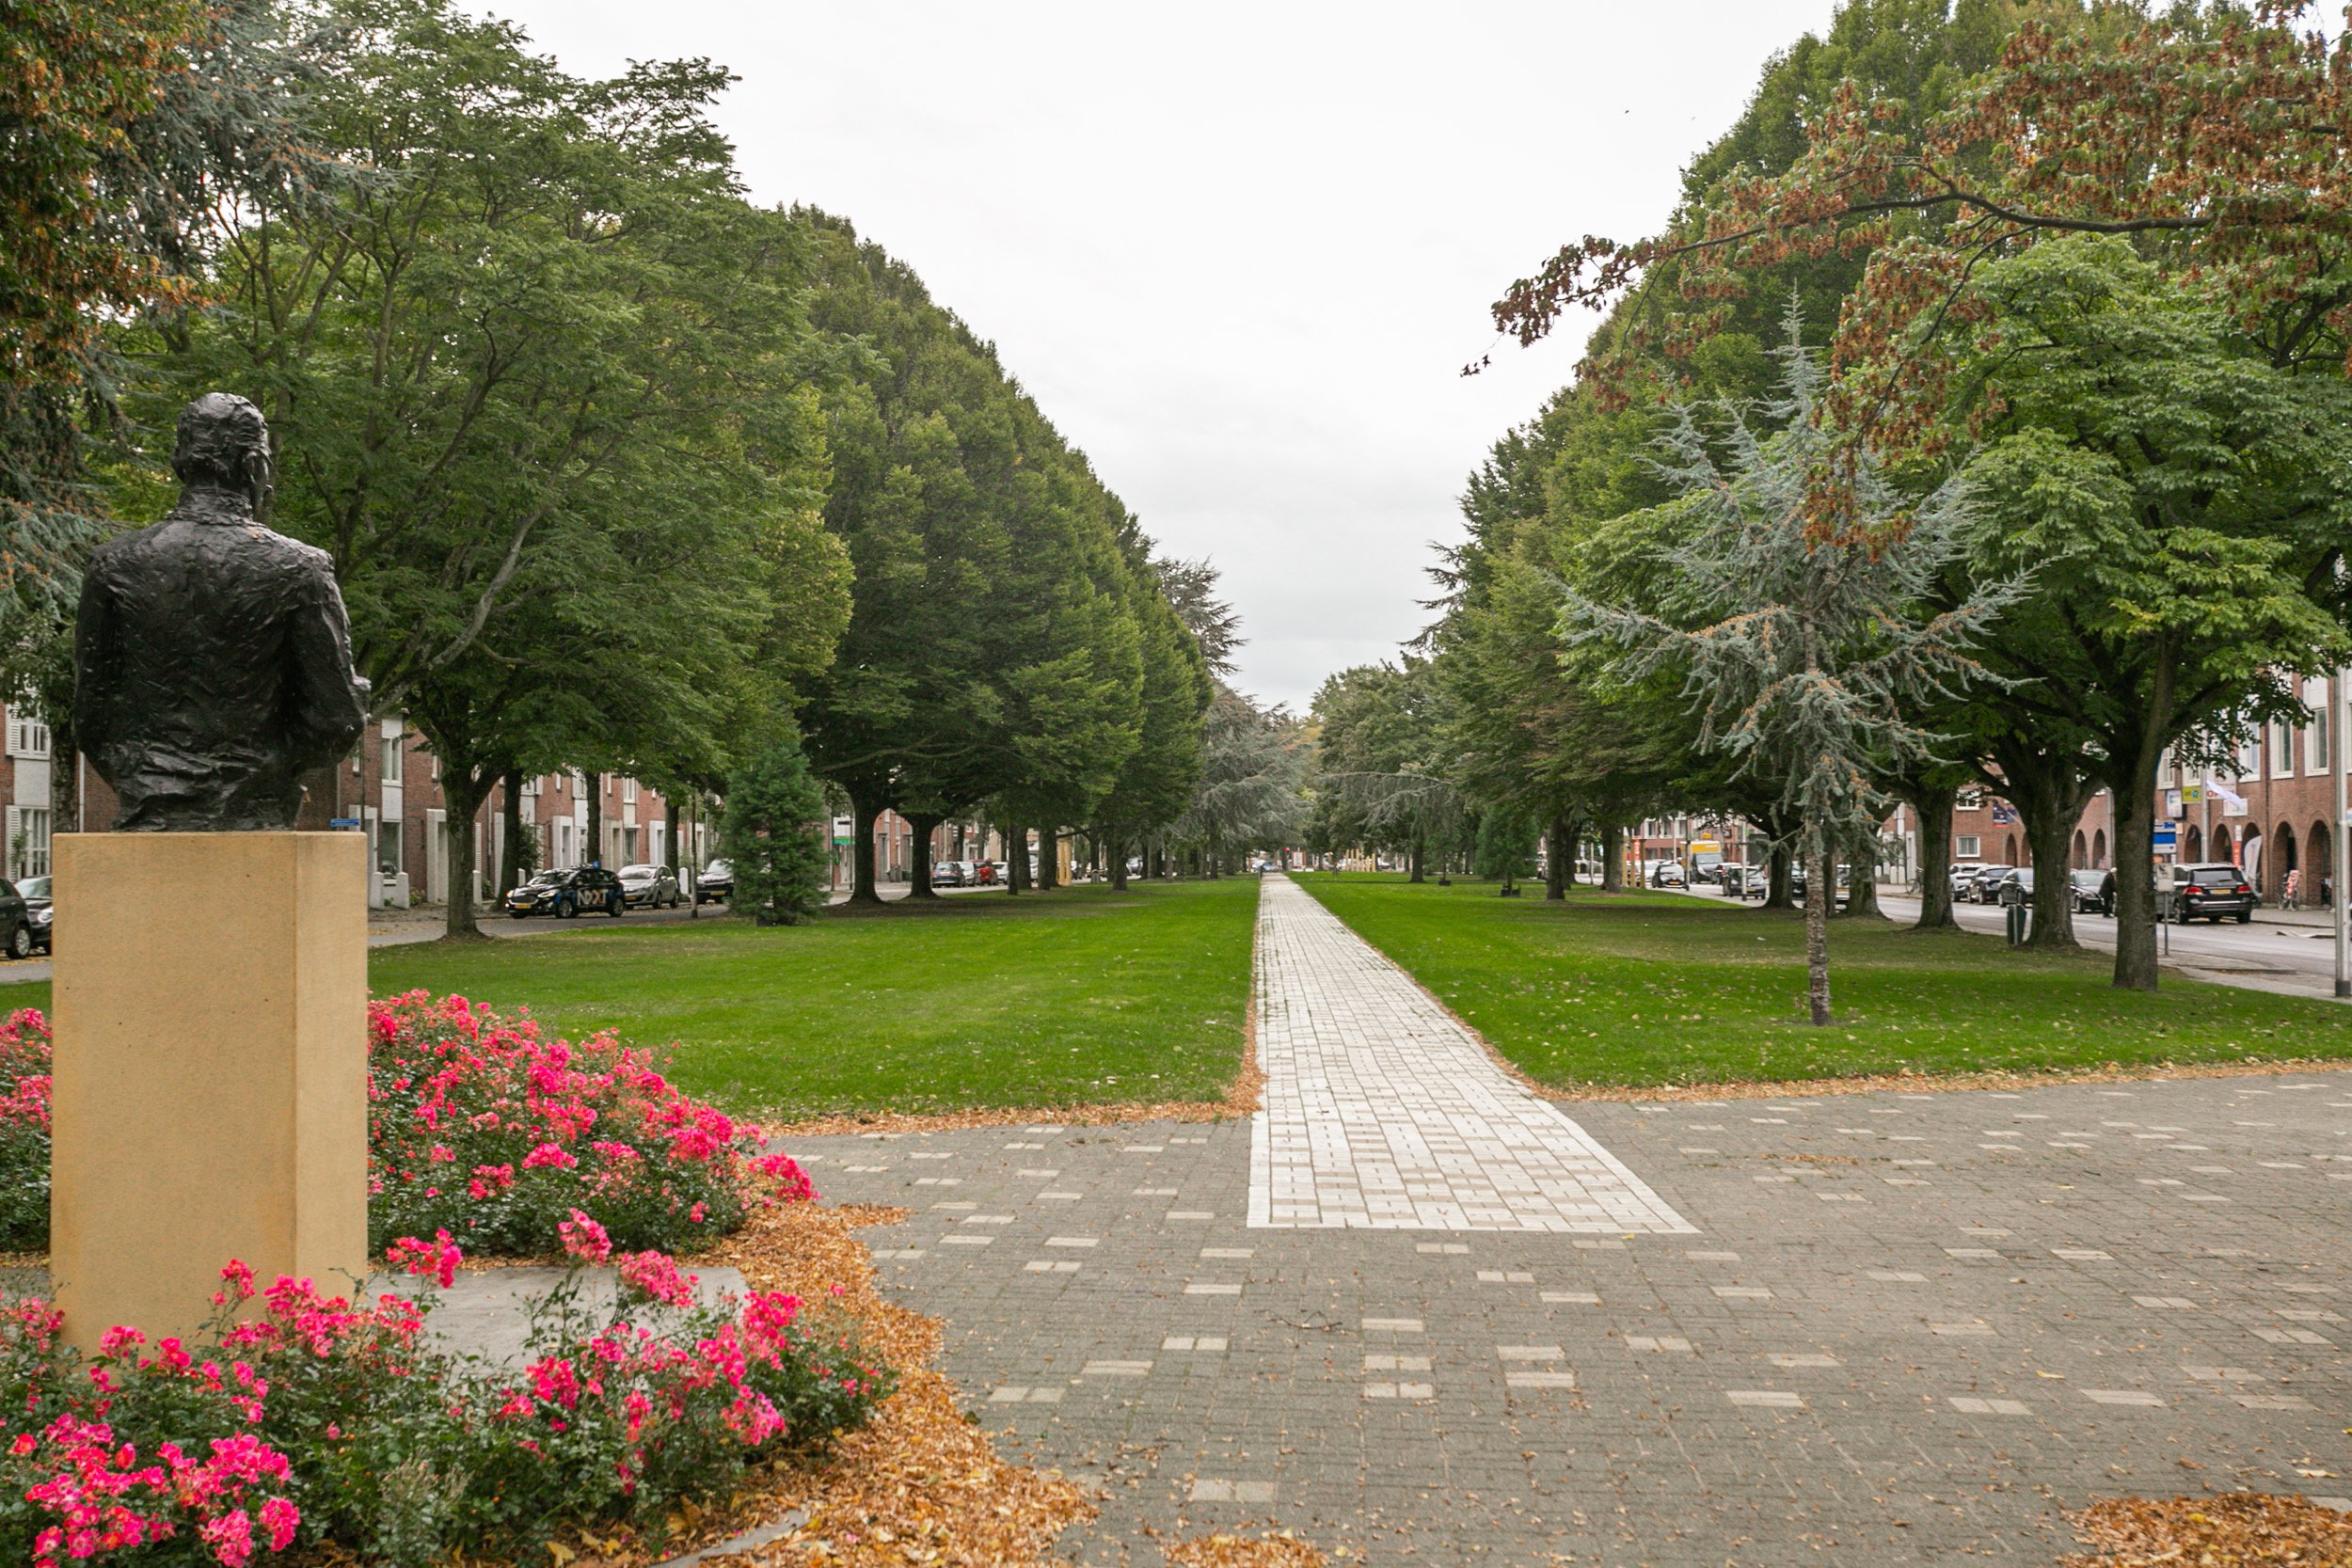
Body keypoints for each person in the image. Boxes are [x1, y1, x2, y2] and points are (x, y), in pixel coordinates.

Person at [74, 392, 369, 831]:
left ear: (179, 461)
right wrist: (270, 770)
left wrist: (148, 772)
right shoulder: (299, 568)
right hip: (255, 802)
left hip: (148, 797)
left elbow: (91, 713)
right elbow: (337, 716)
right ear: (253, 466)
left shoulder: (113, 564)